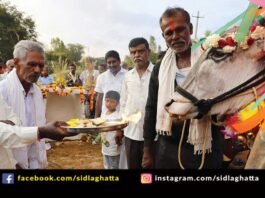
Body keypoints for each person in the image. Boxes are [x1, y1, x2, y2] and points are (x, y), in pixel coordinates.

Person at [142, 7, 224, 169]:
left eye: (180, 30)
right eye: (169, 33)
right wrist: (147, 150)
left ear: (190, 29)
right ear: (163, 36)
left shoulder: (213, 61)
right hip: (167, 149)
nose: (175, 37)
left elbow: (229, 103)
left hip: (204, 149)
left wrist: (212, 108)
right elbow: (151, 109)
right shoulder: (160, 69)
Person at [0, 40, 49, 169]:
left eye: (41, 65)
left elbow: (37, 124)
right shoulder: (2, 91)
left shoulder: (37, 91)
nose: (37, 70)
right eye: (31, 64)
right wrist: (13, 163)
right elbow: (3, 135)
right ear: (16, 63)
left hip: (34, 163)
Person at [0, 95, 74, 169]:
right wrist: (41, 132)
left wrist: (6, 126)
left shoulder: (37, 90)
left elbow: (14, 119)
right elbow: (5, 134)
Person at [120, 37, 153, 169]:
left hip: (152, 135)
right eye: (133, 52)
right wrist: (120, 128)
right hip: (131, 133)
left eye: (140, 51)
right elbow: (123, 102)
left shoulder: (158, 73)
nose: (137, 55)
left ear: (148, 52)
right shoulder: (128, 76)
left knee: (150, 171)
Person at [95, 50, 127, 169]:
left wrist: (122, 124)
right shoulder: (102, 77)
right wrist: (96, 118)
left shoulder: (128, 75)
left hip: (122, 119)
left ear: (119, 61)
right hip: (105, 120)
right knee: (106, 148)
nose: (111, 65)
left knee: (120, 150)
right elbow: (99, 97)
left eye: (114, 62)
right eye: (109, 62)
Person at [100, 91, 121, 169]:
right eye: (107, 100)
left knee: (114, 166)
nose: (109, 104)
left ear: (117, 103)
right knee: (106, 165)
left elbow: (119, 131)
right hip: (105, 146)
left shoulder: (117, 116)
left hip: (113, 147)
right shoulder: (104, 114)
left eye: (112, 102)